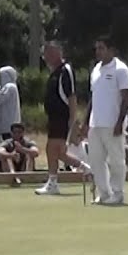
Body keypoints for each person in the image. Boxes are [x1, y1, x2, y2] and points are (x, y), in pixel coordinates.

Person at [85, 35, 128, 206]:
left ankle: (118, 193)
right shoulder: (96, 69)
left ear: (111, 50)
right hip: (95, 123)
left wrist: (120, 122)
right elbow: (93, 97)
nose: (98, 52)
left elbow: (126, 98)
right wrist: (85, 122)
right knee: (96, 160)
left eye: (101, 48)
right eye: (97, 48)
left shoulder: (121, 69)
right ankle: (104, 193)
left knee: (116, 160)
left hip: (112, 123)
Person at [36, 41, 83, 195]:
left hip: (62, 117)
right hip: (54, 118)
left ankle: (53, 182)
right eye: (44, 54)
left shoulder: (65, 70)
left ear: (58, 52)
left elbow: (72, 96)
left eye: (48, 53)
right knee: (59, 153)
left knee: (52, 149)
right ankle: (88, 170)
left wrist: (73, 121)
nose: (46, 57)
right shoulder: (54, 73)